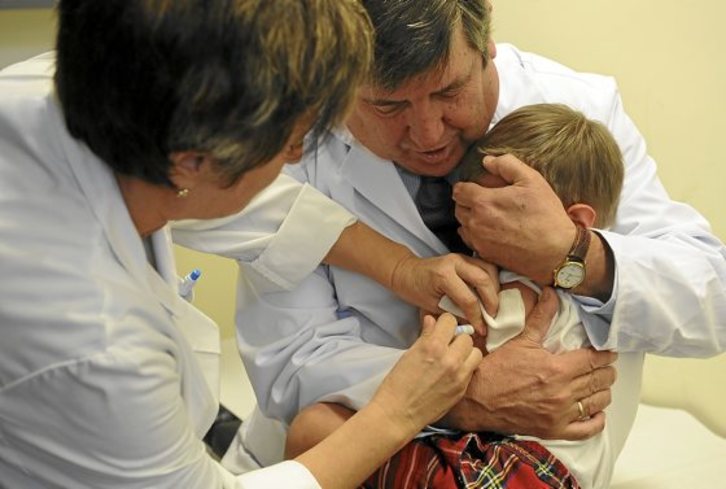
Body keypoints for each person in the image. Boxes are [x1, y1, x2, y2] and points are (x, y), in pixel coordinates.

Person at [0, 1, 517, 487]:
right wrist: (398, 412)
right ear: (195, 163)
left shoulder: (86, 92)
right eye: (293, 144)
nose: (297, 158)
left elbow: (265, 208)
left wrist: (401, 269)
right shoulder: (99, 347)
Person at [227, 0, 726, 478]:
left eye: (449, 92)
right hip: (346, 464)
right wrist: (463, 394)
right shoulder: (296, 146)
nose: (428, 134)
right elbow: (290, 365)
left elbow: (713, 302)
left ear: (485, 37)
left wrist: (575, 255)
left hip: (538, 469)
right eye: (388, 105)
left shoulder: (582, 111)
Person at [285, 103, 640, 489]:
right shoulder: (587, 295)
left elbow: (441, 357)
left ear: (573, 223)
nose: (468, 227)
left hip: (511, 471)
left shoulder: (517, 294)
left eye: (495, 214)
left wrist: (438, 308)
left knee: (315, 429)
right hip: (559, 473)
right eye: (466, 209)